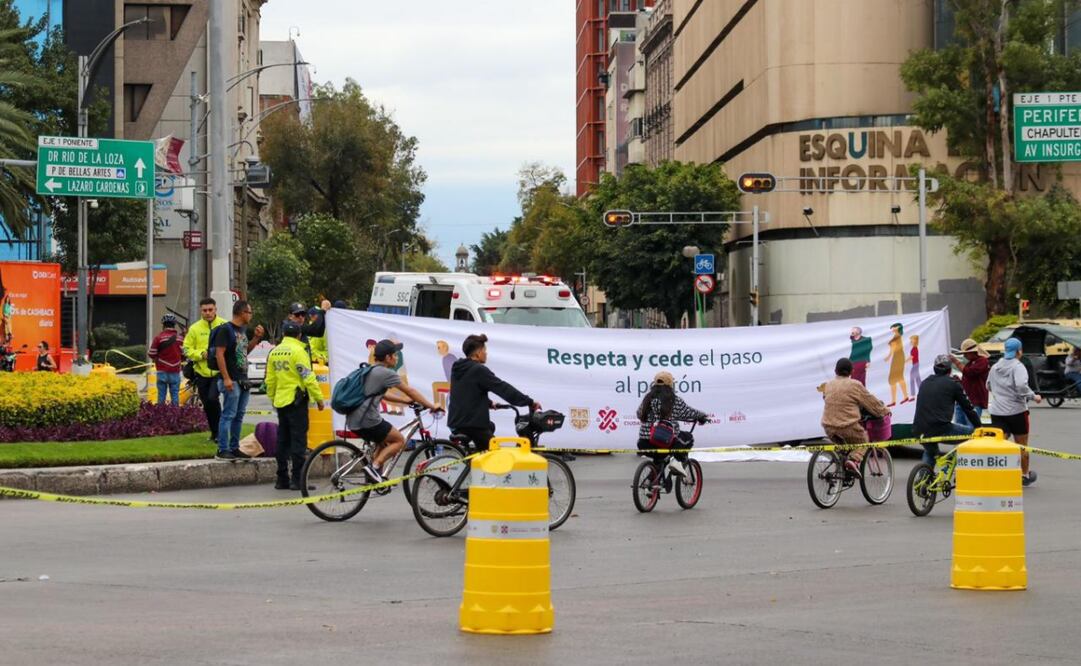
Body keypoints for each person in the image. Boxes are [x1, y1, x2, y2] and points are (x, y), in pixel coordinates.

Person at [344, 339, 442, 481]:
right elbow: (411, 391)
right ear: (388, 357)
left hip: (354, 419)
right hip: (367, 420)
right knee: (399, 441)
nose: (397, 358)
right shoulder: (385, 373)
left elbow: (381, 394)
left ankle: (374, 477)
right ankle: (375, 466)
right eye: (395, 355)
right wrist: (432, 405)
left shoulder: (370, 370)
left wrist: (403, 401)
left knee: (383, 442)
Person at [448, 333, 539, 451]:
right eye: (484, 350)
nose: (486, 354)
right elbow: (503, 389)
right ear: (478, 353)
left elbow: (467, 393)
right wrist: (529, 402)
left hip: (456, 421)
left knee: (490, 427)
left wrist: (489, 404)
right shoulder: (478, 370)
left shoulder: (458, 368)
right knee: (497, 455)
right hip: (471, 424)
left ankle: (479, 464)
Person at [265, 321, 325, 490]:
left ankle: (281, 478)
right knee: (298, 441)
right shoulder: (299, 351)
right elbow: (308, 377)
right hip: (296, 401)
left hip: (281, 401)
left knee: (282, 440)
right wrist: (319, 398)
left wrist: (273, 398)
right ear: (299, 335)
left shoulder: (274, 352)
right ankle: (297, 479)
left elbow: (270, 380)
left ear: (283, 334)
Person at [211, 300, 265, 460]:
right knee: (228, 414)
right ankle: (222, 449)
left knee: (239, 415)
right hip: (231, 380)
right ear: (242, 313)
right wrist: (226, 378)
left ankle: (234, 448)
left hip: (243, 379)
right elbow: (219, 354)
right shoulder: (225, 330)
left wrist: (256, 338)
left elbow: (243, 352)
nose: (251, 315)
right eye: (249, 312)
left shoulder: (242, 330)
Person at [820, 358, 890, 477]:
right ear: (851, 371)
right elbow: (871, 402)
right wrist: (884, 410)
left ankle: (841, 467)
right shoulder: (855, 385)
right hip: (847, 426)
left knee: (843, 448)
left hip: (828, 426)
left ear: (835, 371)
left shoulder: (828, 385)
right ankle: (854, 461)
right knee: (863, 440)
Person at [988, 337, 1041, 486]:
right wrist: (1034, 396)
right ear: (1019, 351)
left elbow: (988, 386)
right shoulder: (1018, 366)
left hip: (997, 412)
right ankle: (1024, 475)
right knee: (1022, 445)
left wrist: (1000, 394)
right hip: (1017, 411)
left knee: (1000, 445)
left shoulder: (995, 367)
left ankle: (999, 474)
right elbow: (1021, 386)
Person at [636, 371, 708, 478]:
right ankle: (677, 461)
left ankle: (650, 485)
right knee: (688, 437)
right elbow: (687, 412)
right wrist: (702, 416)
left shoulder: (647, 399)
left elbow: (639, 413)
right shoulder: (673, 399)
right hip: (664, 441)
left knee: (659, 460)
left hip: (644, 443)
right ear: (671, 384)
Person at [913, 354, 981, 465]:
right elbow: (968, 408)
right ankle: (955, 465)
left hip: (919, 429)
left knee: (930, 452)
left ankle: (923, 478)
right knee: (973, 433)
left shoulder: (924, 383)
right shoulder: (953, 384)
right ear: (950, 370)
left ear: (934, 369)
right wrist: (979, 427)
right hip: (941, 429)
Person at [183, 298, 228, 442]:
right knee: (207, 404)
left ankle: (221, 433)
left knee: (212, 399)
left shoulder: (224, 325)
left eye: (210, 310)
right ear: (201, 311)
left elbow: (232, 347)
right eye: (205, 310)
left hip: (218, 372)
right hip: (201, 372)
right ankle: (215, 433)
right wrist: (201, 354)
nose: (208, 313)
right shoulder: (195, 328)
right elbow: (187, 349)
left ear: (215, 309)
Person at [951, 338, 989, 427]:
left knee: (971, 429)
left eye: (965, 353)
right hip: (964, 400)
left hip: (975, 401)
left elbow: (970, 373)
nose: (964, 356)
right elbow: (969, 378)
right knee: (960, 429)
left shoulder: (982, 361)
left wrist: (956, 361)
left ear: (973, 352)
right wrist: (959, 380)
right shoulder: (970, 363)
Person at [148, 314, 185, 405]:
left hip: (162, 372)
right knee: (175, 396)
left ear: (163, 325)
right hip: (175, 371)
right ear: (174, 325)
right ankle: (175, 416)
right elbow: (184, 354)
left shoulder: (158, 338)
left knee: (161, 396)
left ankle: (161, 416)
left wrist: (158, 358)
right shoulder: (180, 338)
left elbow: (151, 353)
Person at [884, 323, 911, 406]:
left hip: (898, 357)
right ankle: (899, 398)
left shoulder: (897, 336)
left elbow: (894, 348)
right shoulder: (896, 336)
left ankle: (896, 399)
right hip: (898, 357)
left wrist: (888, 357)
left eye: (895, 326)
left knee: (895, 378)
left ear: (898, 328)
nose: (893, 328)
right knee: (897, 378)